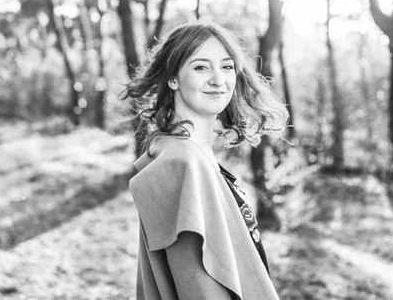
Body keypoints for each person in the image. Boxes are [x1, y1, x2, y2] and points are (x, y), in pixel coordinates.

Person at [121, 21, 288, 299]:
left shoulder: (187, 153)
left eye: (226, 66)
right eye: (201, 67)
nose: (218, 79)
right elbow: (197, 286)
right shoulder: (182, 164)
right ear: (172, 78)